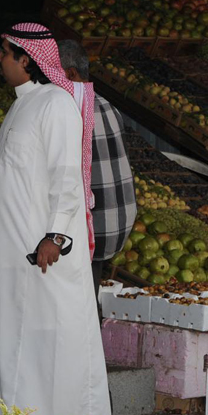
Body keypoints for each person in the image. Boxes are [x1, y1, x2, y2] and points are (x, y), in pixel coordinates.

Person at [0, 23, 111, 415]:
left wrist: (55, 235)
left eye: (5, 52)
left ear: (27, 59)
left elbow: (67, 177)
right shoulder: (21, 105)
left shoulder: (56, 104)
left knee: (49, 345)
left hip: (43, 251)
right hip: (10, 252)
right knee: (13, 338)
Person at [58, 39, 136, 297]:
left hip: (90, 229)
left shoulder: (69, 110)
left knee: (72, 304)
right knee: (86, 299)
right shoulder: (107, 106)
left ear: (70, 74)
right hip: (115, 226)